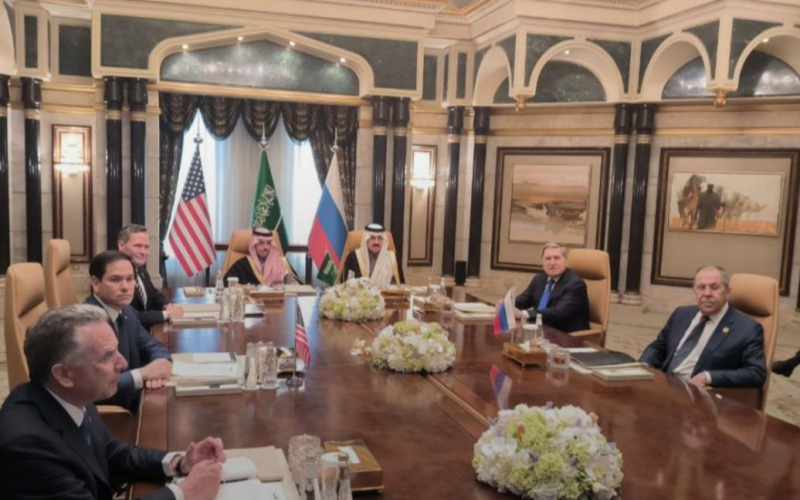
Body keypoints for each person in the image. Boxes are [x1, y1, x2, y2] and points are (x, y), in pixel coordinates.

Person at [0, 305, 225, 500]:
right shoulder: (27, 446)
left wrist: (181, 462)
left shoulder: (74, 395)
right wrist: (184, 493)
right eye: (107, 356)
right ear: (64, 375)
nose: (123, 362)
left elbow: (115, 454)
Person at [639, 265, 767, 388]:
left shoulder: (747, 329)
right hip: (663, 385)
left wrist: (708, 377)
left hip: (697, 393)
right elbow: (659, 346)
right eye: (701, 287)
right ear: (694, 291)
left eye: (714, 287)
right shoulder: (681, 314)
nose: (707, 293)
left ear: (727, 292)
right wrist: (645, 365)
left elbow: (756, 373)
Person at [85, 251, 173, 411]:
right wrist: (142, 374)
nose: (125, 287)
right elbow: (94, 384)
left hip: (137, 401)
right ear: (96, 284)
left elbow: (152, 345)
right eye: (115, 280)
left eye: (130, 279)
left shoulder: (127, 311)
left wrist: (161, 364)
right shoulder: (87, 324)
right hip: (112, 414)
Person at [512, 242, 590, 333]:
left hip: (566, 335)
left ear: (566, 261)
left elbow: (557, 313)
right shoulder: (539, 279)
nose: (552, 263)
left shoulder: (576, 284)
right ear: (542, 262)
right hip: (541, 331)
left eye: (556, 258)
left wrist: (524, 314)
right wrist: (507, 305)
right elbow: (523, 300)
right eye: (548, 259)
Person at [118, 224, 184, 330]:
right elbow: (128, 316)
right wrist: (166, 314)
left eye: (146, 247)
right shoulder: (115, 276)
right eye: (138, 246)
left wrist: (168, 305)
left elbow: (155, 296)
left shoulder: (141, 271)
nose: (143, 252)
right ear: (121, 245)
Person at [224, 228, 294, 286]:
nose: (266, 247)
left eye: (268, 243)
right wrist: (242, 288)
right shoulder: (242, 265)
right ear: (254, 245)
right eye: (261, 243)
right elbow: (226, 282)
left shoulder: (280, 264)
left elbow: (294, 284)